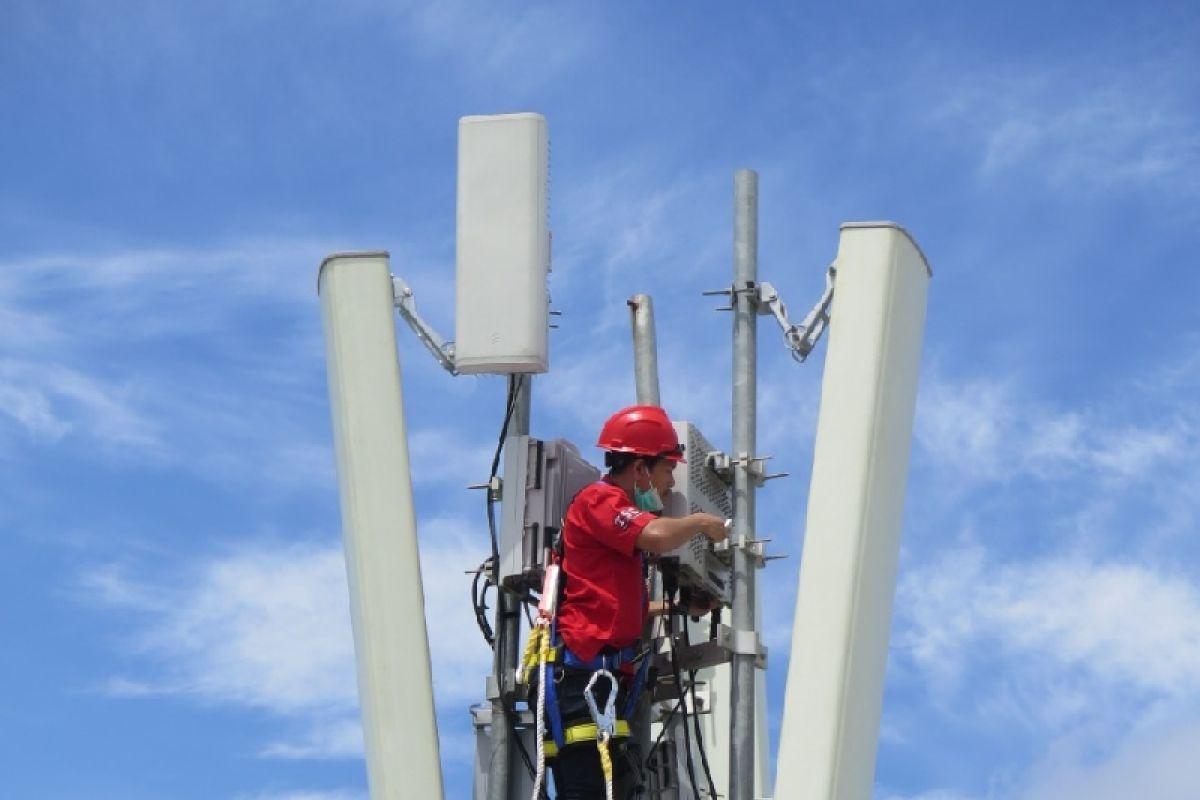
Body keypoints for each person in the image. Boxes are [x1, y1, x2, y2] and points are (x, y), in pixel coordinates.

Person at [546, 404, 727, 799]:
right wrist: (698, 522)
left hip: (604, 685)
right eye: (666, 472)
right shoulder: (600, 501)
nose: (667, 487)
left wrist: (677, 609)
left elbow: (613, 605)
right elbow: (658, 536)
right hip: (582, 682)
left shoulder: (616, 524)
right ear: (641, 469)